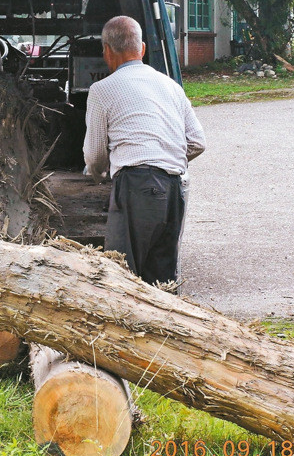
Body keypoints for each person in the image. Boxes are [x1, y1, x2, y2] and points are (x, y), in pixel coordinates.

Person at [83, 15, 206, 286]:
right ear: (143, 49)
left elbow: (94, 156)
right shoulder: (170, 86)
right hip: (175, 188)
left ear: (106, 51)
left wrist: (99, 176)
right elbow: (197, 141)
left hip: (137, 186)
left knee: (123, 276)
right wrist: (165, 157)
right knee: (163, 282)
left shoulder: (102, 89)